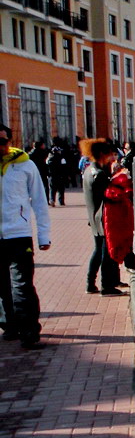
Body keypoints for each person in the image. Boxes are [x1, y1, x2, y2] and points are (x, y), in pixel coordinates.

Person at [0, 123, 52, 349]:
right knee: (2, 287)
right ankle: (9, 325)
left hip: (18, 234)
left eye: (3, 141)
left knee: (22, 285)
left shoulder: (25, 165)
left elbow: (39, 200)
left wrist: (43, 236)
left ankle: (29, 332)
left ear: (10, 142)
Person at [81, 140, 125, 296]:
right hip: (103, 217)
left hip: (94, 217)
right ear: (102, 155)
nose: (112, 158)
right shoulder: (99, 174)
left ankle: (90, 283)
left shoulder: (89, 170)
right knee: (106, 253)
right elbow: (110, 194)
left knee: (98, 250)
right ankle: (107, 286)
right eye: (109, 155)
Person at [103, 161, 135, 269]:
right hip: (122, 218)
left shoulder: (113, 187)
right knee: (123, 242)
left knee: (115, 243)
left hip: (116, 218)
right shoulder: (122, 185)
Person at [29, 140, 51, 204]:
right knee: (45, 186)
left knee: (34, 186)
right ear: (41, 146)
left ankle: (35, 200)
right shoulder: (44, 152)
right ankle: (46, 200)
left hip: (34, 171)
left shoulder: (31, 153)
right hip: (43, 170)